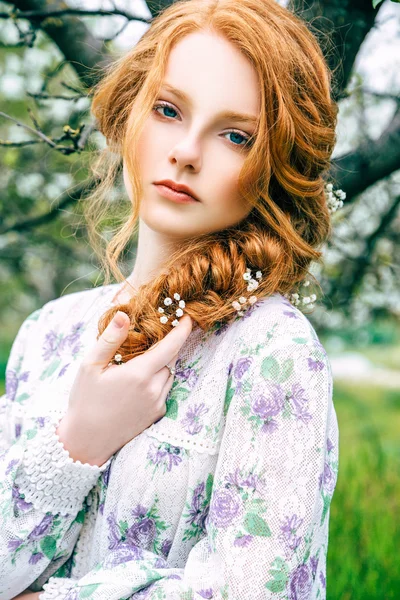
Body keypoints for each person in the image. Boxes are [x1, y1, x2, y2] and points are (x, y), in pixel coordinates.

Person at [0, 0, 340, 598]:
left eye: (236, 135)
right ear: (130, 111)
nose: (186, 151)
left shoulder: (271, 352)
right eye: (167, 109)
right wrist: (78, 442)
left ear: (274, 164)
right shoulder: (46, 332)